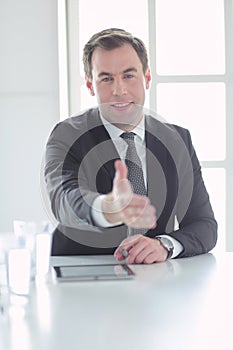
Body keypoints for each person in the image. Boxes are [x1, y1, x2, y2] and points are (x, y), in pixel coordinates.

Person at [44, 28, 217, 263]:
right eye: (106, 78)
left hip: (155, 277)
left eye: (128, 76)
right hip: (82, 273)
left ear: (146, 78)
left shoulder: (178, 139)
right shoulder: (67, 135)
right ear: (90, 85)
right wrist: (107, 207)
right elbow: (64, 201)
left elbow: (203, 224)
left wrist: (164, 245)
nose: (119, 90)